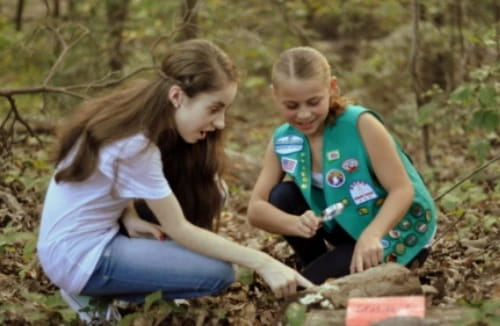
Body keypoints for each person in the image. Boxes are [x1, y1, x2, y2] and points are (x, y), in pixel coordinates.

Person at [37, 39, 313, 322]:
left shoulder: (127, 118)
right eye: (214, 109)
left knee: (215, 195)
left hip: (70, 246)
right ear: (177, 96)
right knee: (219, 273)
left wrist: (129, 213)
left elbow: (106, 178)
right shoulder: (136, 145)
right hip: (80, 258)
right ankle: (91, 295)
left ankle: (99, 285)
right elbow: (180, 228)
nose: (220, 122)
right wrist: (265, 263)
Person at [247, 46, 437, 285]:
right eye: (291, 106)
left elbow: (402, 190)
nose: (304, 115)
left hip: (392, 229)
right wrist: (296, 224)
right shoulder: (283, 140)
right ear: (274, 96)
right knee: (282, 195)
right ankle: (317, 264)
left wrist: (372, 234)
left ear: (332, 88)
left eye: (313, 102)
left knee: (305, 295)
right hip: (346, 226)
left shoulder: (360, 123)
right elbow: (256, 209)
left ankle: (325, 272)